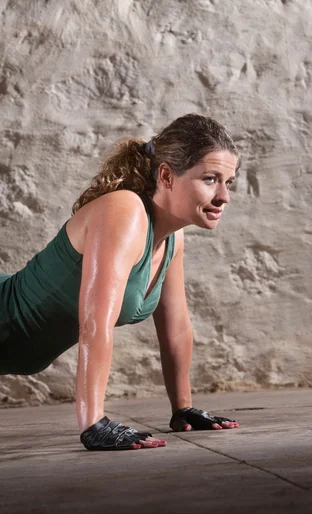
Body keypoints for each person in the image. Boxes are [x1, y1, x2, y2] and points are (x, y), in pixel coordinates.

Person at [0, 113, 240, 451]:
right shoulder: (124, 210)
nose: (224, 196)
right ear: (167, 175)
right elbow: (96, 322)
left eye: (228, 182)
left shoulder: (171, 238)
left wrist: (182, 408)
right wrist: (93, 423)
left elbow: (177, 327)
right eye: (210, 179)